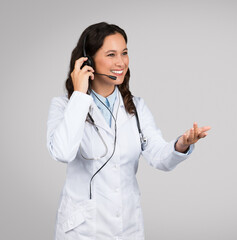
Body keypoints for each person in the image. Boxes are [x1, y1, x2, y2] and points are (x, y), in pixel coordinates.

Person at [46, 22, 211, 240]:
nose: (121, 62)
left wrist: (182, 144)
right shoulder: (65, 106)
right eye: (111, 54)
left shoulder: (136, 107)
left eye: (124, 53)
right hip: (83, 229)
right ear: (88, 60)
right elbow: (62, 153)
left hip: (127, 226)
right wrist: (79, 95)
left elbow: (159, 156)